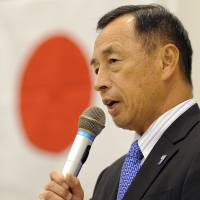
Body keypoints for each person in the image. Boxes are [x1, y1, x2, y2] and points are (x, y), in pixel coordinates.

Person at [38, 4, 200, 200]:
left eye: (113, 61)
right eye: (97, 69)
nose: (99, 83)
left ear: (166, 61)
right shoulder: (110, 178)